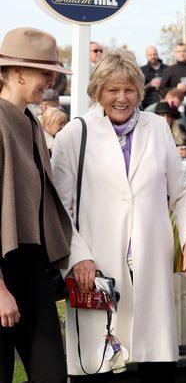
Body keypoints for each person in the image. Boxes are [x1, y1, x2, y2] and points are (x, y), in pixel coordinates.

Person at [51, 52, 186, 381]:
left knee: (155, 364)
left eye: (130, 90)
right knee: (99, 365)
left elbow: (183, 192)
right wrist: (78, 258)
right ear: (97, 91)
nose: (122, 98)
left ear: (140, 91)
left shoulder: (158, 130)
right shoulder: (74, 136)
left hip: (150, 268)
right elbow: (60, 211)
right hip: (96, 273)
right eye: (112, 90)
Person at [0, 27, 74, 383]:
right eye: (44, 73)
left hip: (30, 266)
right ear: (16, 72)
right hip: (3, 269)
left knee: (51, 374)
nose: (49, 81)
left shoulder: (29, 120)